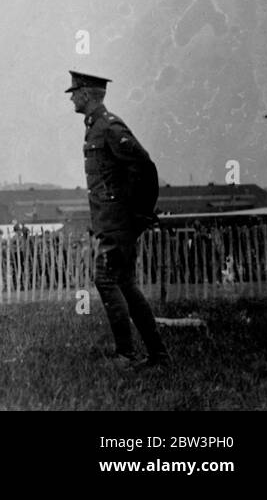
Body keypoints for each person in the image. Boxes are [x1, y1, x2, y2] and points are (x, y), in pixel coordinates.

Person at [67, 71, 170, 370]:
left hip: (118, 223)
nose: (72, 97)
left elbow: (145, 167)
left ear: (86, 94)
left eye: (74, 92)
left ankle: (127, 354)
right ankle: (158, 355)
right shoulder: (95, 127)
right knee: (124, 282)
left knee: (106, 278)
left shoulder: (109, 127)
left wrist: (138, 215)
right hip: (110, 222)